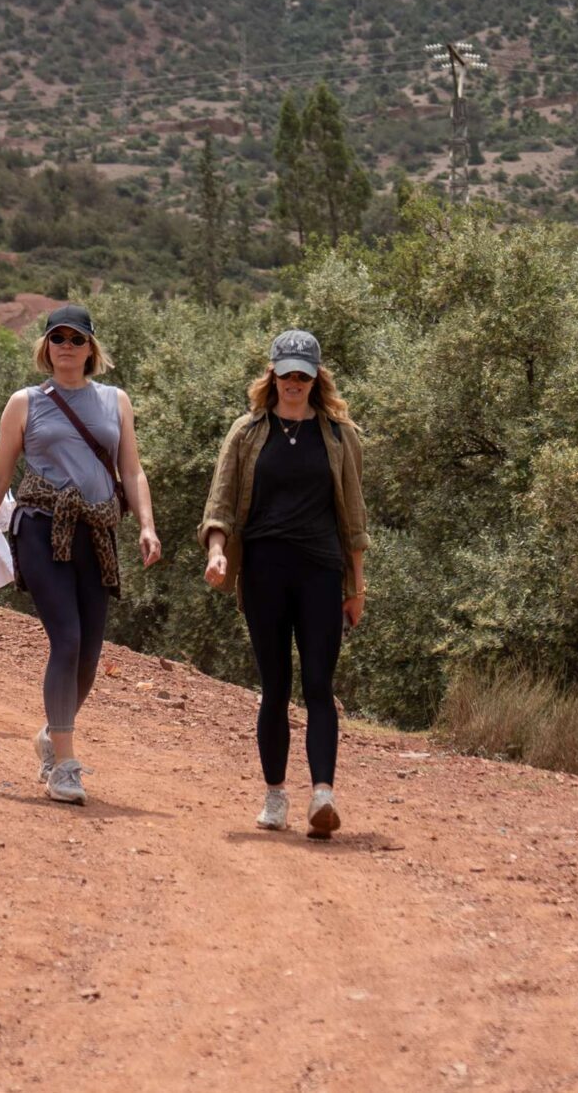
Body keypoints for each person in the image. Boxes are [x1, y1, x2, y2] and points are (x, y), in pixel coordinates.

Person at [0, 305, 161, 806]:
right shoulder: (25, 402)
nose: (67, 346)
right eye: (58, 338)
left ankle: (53, 733)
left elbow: (131, 470)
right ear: (46, 346)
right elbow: (0, 473)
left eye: (76, 339)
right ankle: (65, 767)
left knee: (90, 654)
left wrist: (147, 525)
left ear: (91, 347)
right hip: (41, 528)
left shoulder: (115, 401)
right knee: (67, 640)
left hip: (96, 533)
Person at [200, 330, 369, 838]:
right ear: (272, 374)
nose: (295, 382)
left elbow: (354, 518)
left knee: (319, 684)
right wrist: (216, 553)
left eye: (303, 375)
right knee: (275, 687)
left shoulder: (339, 436)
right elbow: (220, 504)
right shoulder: (247, 432)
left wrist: (357, 587)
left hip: (321, 571)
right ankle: (275, 795)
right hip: (264, 572)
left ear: (316, 379)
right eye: (287, 373)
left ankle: (323, 796)